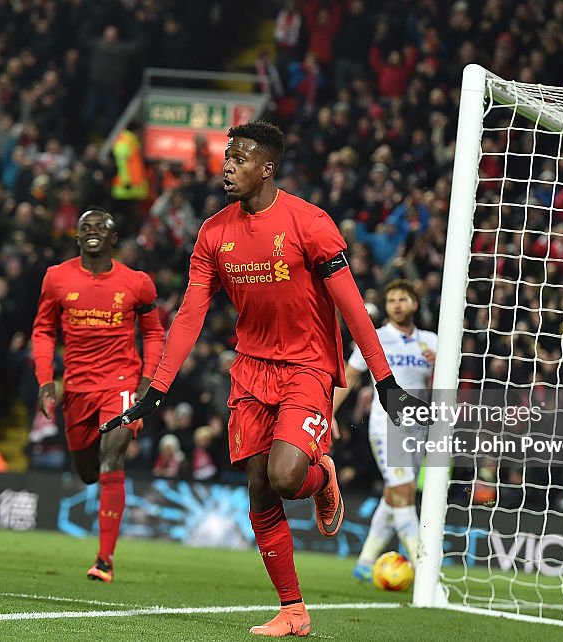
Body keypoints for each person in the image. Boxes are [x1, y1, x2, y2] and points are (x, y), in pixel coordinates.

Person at [102, 120, 429, 636]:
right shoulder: (213, 232)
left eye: (241, 158)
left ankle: (322, 481)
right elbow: (189, 316)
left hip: (307, 364)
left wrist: (383, 381)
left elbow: (351, 307)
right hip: (251, 369)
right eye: (227, 157)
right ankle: (293, 609)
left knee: (285, 475)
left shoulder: (310, 223)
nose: (228, 166)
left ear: (267, 168)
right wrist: (156, 389)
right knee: (259, 487)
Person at [31, 208, 164, 584]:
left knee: (112, 457)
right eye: (84, 227)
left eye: (99, 227)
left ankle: (104, 560)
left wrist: (146, 380)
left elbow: (155, 333)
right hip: (76, 387)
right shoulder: (57, 278)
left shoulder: (137, 283)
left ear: (113, 237)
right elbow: (42, 331)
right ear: (77, 237)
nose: (91, 232)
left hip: (121, 384)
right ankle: (103, 548)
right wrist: (45, 380)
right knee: (88, 471)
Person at [331, 279, 437, 582]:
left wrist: (440, 363)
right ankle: (423, 566)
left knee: (395, 495)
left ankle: (365, 561)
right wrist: (327, 412)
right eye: (391, 300)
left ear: (414, 303)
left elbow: (448, 386)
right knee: (403, 493)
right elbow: (350, 376)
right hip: (386, 425)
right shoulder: (374, 338)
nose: (397, 305)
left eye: (403, 299)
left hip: (420, 428)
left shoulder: (432, 341)